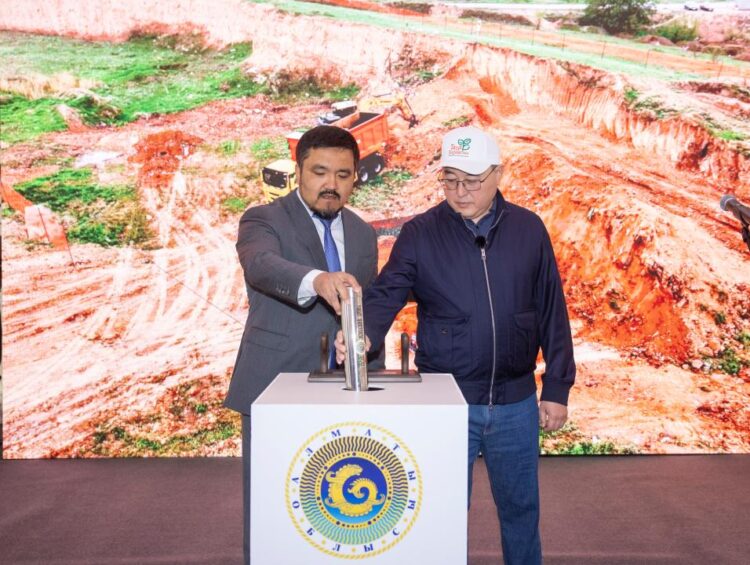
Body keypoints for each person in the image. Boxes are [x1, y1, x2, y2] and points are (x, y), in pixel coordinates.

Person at [336, 126, 575, 564]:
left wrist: (557, 387)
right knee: (441, 513)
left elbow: (550, 310)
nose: (460, 192)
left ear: (498, 174)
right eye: (450, 180)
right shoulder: (421, 233)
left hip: (515, 403)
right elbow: (387, 292)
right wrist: (361, 332)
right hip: (448, 401)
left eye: (472, 181)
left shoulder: (528, 229)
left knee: (521, 510)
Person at [224, 125, 379, 565]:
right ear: (299, 171)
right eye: (320, 172)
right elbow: (261, 265)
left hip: (343, 388)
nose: (331, 184)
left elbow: (365, 302)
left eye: (343, 175)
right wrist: (317, 280)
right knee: (271, 506)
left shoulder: (363, 233)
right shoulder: (263, 219)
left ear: (355, 177)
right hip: (275, 384)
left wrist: (364, 341)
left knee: (336, 507)